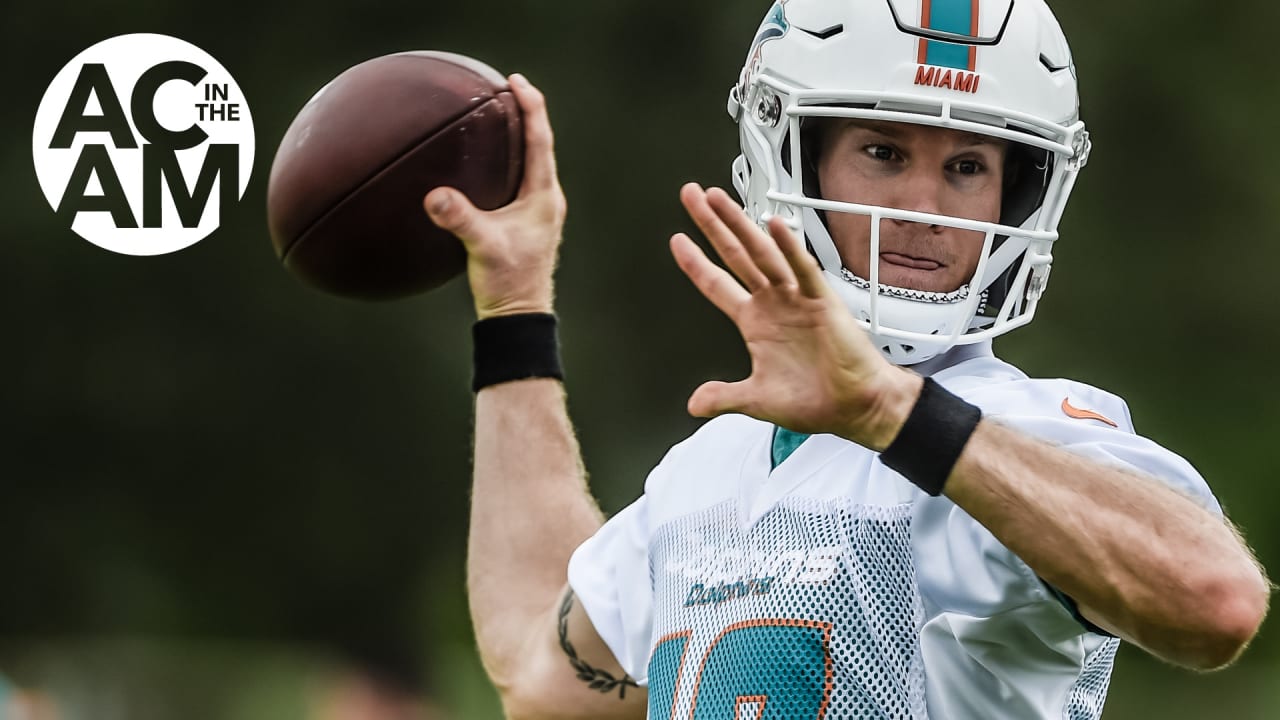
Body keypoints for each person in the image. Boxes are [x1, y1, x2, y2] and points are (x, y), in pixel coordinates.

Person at [423, 0, 1271, 717]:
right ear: (793, 155)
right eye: (884, 152)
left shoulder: (1019, 431)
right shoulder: (707, 470)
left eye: (968, 166)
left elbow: (1217, 602)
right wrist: (515, 306)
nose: (927, 209)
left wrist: (893, 412)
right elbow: (533, 667)